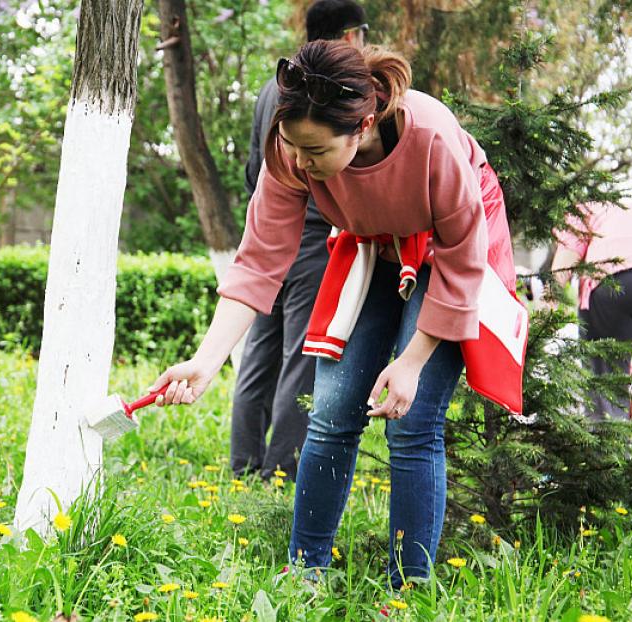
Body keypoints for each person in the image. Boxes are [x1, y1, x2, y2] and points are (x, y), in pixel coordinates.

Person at [149, 39, 516, 587]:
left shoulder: (431, 136)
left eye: (315, 151)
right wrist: (206, 361)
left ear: (363, 124)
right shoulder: (291, 153)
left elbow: (465, 261)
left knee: (413, 422)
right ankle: (304, 576)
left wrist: (411, 362)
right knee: (331, 409)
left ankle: (408, 590)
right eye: (293, 146)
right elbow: (258, 264)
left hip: (450, 256)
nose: (301, 163)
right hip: (375, 248)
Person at [231, 0, 369, 482]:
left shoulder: (276, 88)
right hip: (311, 236)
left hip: (268, 230)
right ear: (350, 38)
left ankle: (242, 466)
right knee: (300, 356)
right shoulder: (336, 99)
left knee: (259, 353)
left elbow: (254, 169)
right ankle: (281, 472)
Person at [551, 198, 632, 420]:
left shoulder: (584, 210)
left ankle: (606, 442)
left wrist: (545, 312)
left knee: (604, 384)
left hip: (614, 281)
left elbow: (563, 266)